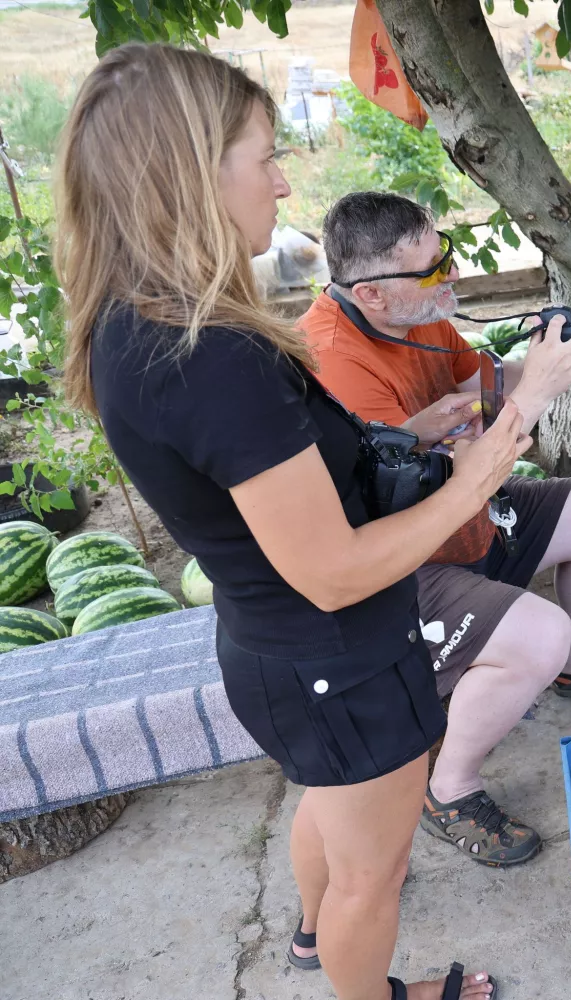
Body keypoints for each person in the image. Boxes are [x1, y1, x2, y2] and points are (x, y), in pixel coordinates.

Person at [58, 44, 501, 1000]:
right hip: (333, 652)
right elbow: (334, 571)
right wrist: (479, 474)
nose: (285, 178)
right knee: (372, 876)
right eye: (264, 157)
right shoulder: (206, 353)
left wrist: (416, 443)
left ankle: (307, 936)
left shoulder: (136, 324)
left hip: (281, 649)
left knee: (332, 808)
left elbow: (286, 495)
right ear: (188, 173)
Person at [295, 192, 571, 878]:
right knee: (538, 631)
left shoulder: (421, 318)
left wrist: (546, 363)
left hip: (463, 513)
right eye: (434, 271)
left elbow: (484, 389)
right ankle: (450, 789)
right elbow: (444, 479)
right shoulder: (333, 362)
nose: (453, 279)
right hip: (398, 560)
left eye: (448, 259)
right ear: (371, 293)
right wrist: (526, 405)